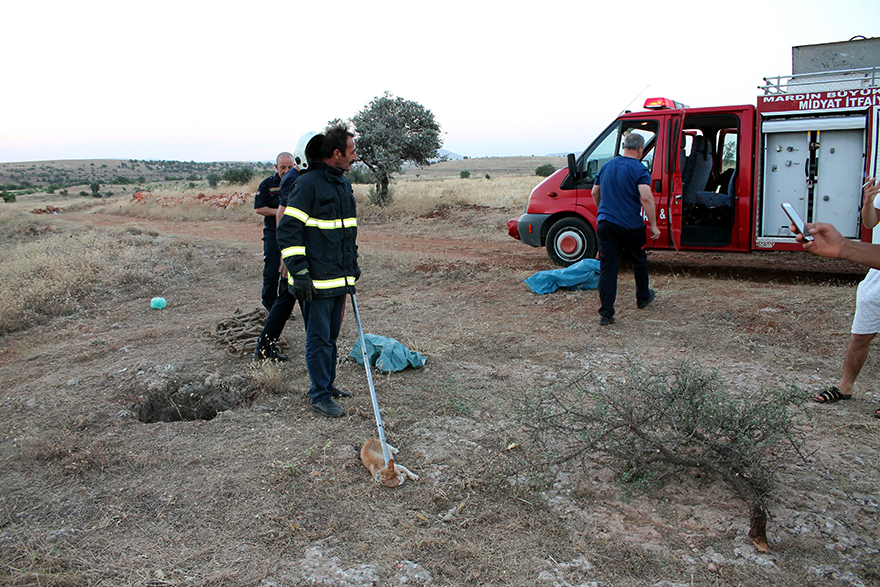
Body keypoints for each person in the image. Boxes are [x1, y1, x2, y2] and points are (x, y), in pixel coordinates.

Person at [276, 124, 360, 418]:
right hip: (314, 281)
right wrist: (299, 273)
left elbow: (346, 231)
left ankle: (328, 384)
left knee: (331, 336)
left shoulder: (342, 185)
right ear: (336, 153)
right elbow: (288, 231)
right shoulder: (307, 185)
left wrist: (352, 264)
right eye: (351, 152)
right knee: (319, 338)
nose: (355, 157)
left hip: (339, 277)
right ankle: (319, 395)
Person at [797, 177, 880, 419]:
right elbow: (871, 222)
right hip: (876, 276)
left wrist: (844, 248)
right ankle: (845, 387)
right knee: (860, 335)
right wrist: (868, 202)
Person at [253, 133, 324, 362]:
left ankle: (265, 348)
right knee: (297, 297)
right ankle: (318, 353)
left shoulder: (306, 175)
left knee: (286, 298)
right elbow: (282, 216)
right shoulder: (295, 178)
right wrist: (286, 256)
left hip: (303, 248)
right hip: (296, 250)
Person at [590, 132, 661, 325]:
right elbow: (646, 197)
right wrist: (654, 225)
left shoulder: (607, 165)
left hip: (606, 224)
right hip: (630, 225)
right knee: (639, 260)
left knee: (608, 268)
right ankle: (643, 297)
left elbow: (595, 192)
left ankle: (606, 313)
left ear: (624, 146)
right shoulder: (639, 169)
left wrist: (603, 209)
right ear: (640, 149)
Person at [254, 152, 298, 312]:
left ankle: (284, 308)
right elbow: (259, 208)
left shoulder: (298, 182)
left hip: (294, 234)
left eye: (289, 167)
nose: (286, 171)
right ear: (276, 167)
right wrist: (280, 211)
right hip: (273, 234)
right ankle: (269, 305)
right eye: (282, 167)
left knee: (290, 270)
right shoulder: (267, 184)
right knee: (272, 270)